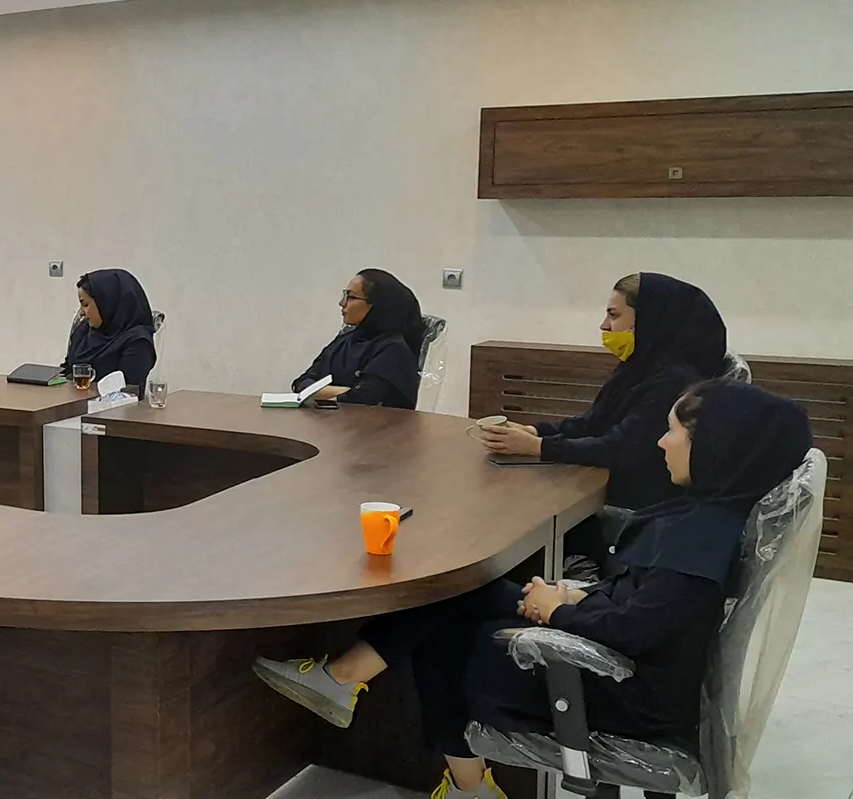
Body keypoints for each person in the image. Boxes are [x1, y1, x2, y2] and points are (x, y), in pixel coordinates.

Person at [253, 379, 811, 799]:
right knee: (465, 592)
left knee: (446, 640)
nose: (661, 442)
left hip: (622, 693)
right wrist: (573, 597)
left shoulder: (700, 537)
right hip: (624, 659)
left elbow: (641, 629)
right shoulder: (711, 515)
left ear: (716, 446)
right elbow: (653, 608)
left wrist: (558, 613)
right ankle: (347, 680)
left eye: (674, 432)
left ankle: (445, 765)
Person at [476, 273, 727, 513]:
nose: (604, 325)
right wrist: (535, 432)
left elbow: (619, 448)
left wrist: (538, 447)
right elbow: (594, 423)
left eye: (613, 315)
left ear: (648, 319)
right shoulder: (641, 365)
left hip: (634, 507)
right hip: (606, 488)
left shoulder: (676, 381)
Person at [292, 269, 425, 409]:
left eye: (351, 297)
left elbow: (364, 399)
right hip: (333, 420)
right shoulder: (345, 341)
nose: (342, 303)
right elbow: (301, 383)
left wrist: (318, 393)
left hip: (373, 422)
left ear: (377, 305)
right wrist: (348, 391)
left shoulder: (394, 349)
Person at [60, 269, 157, 392]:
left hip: (110, 404)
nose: (81, 313)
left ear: (106, 302)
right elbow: (66, 370)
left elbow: (128, 391)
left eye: (85, 304)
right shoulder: (83, 331)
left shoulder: (138, 342)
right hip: (69, 401)